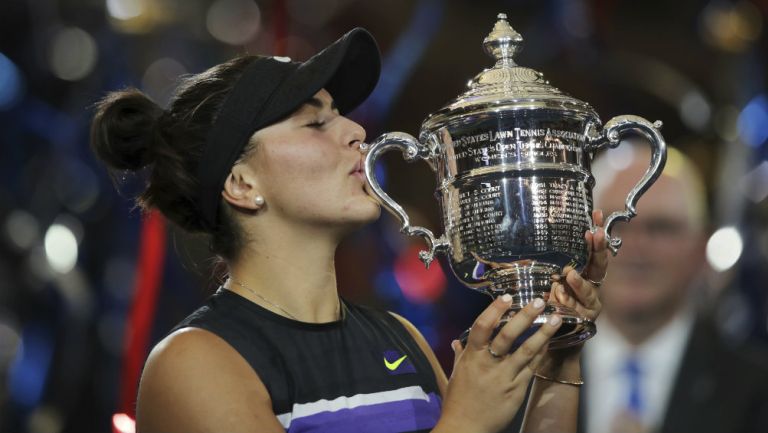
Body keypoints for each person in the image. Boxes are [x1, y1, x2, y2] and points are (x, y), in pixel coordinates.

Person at [90, 27, 607, 433]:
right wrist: (466, 423)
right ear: (241, 184)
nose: (357, 132)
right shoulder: (193, 363)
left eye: (340, 114)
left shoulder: (399, 337)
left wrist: (558, 360)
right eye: (314, 123)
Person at [581, 144, 768, 433]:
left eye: (661, 228)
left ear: (701, 246)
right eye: (615, 225)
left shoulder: (756, 391)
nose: (636, 247)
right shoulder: (522, 379)